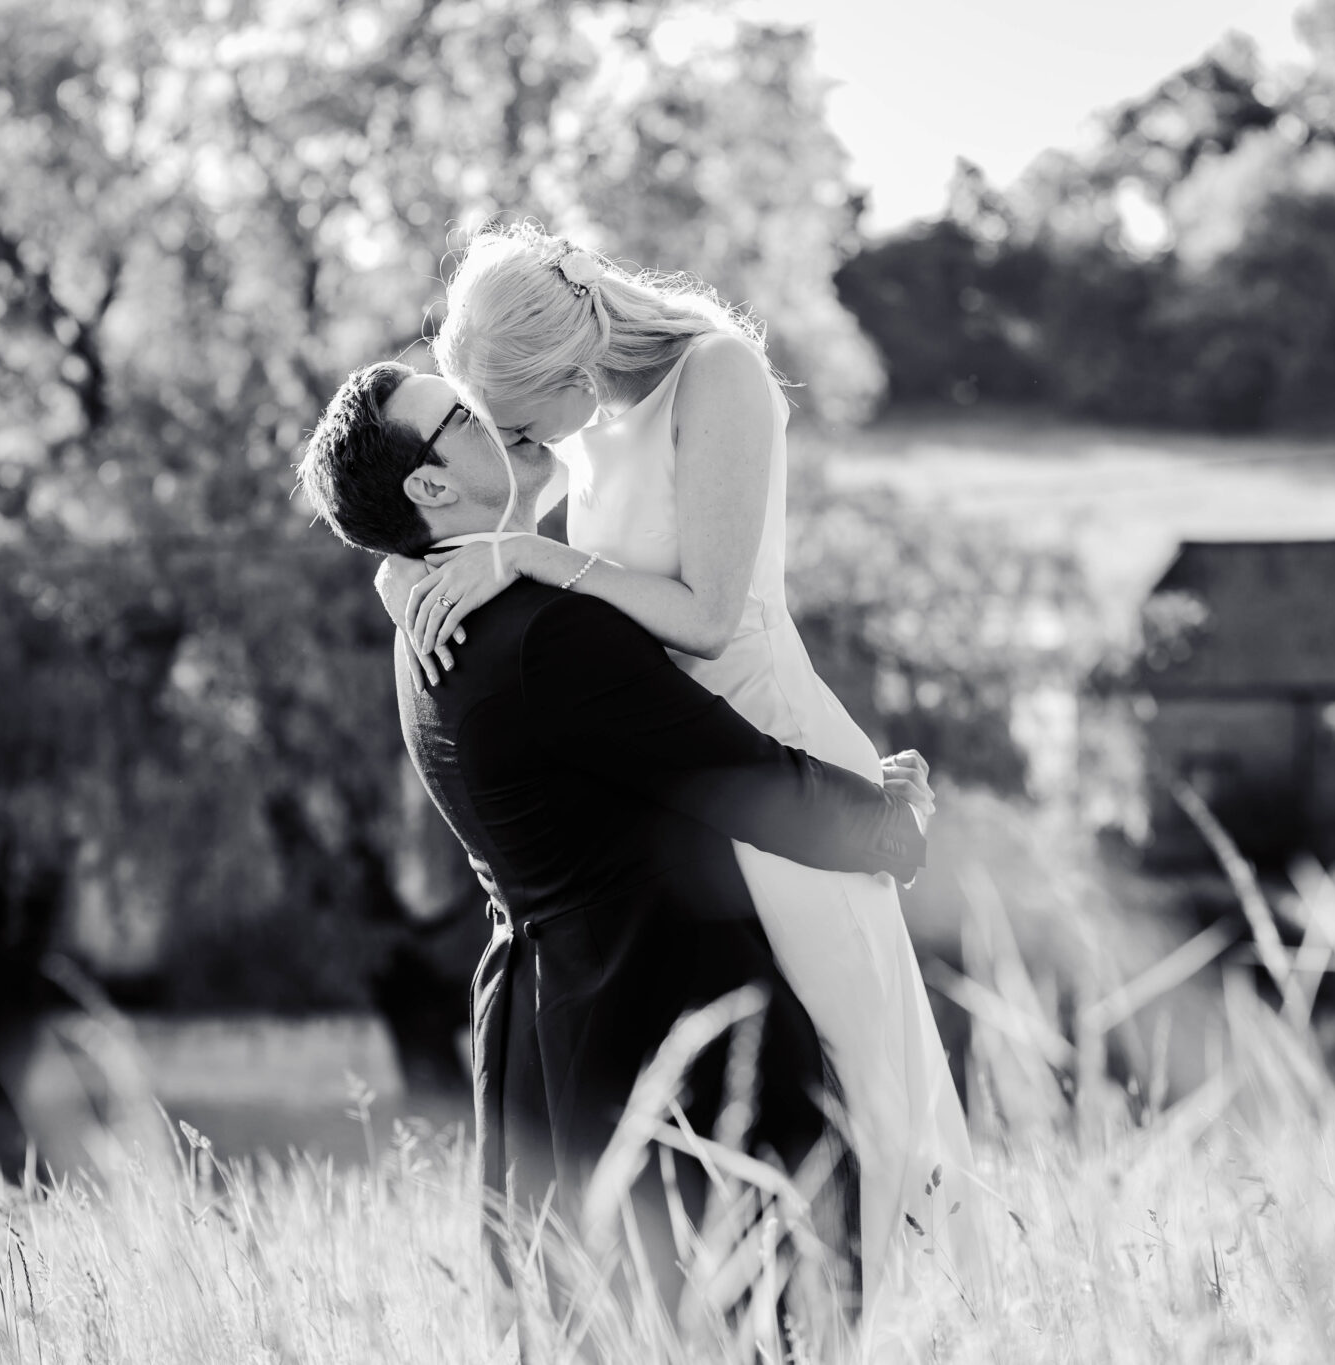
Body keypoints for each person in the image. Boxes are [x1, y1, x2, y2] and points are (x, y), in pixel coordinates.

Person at [378, 223, 983, 1312]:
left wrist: (532, 556)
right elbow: (477, 530)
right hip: (681, 774)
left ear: (569, 368)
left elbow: (702, 618)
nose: (520, 449)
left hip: (763, 750)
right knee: (773, 1101)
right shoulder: (584, 418)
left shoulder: (718, 376)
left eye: (517, 420)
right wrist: (401, 576)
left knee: (856, 1086)